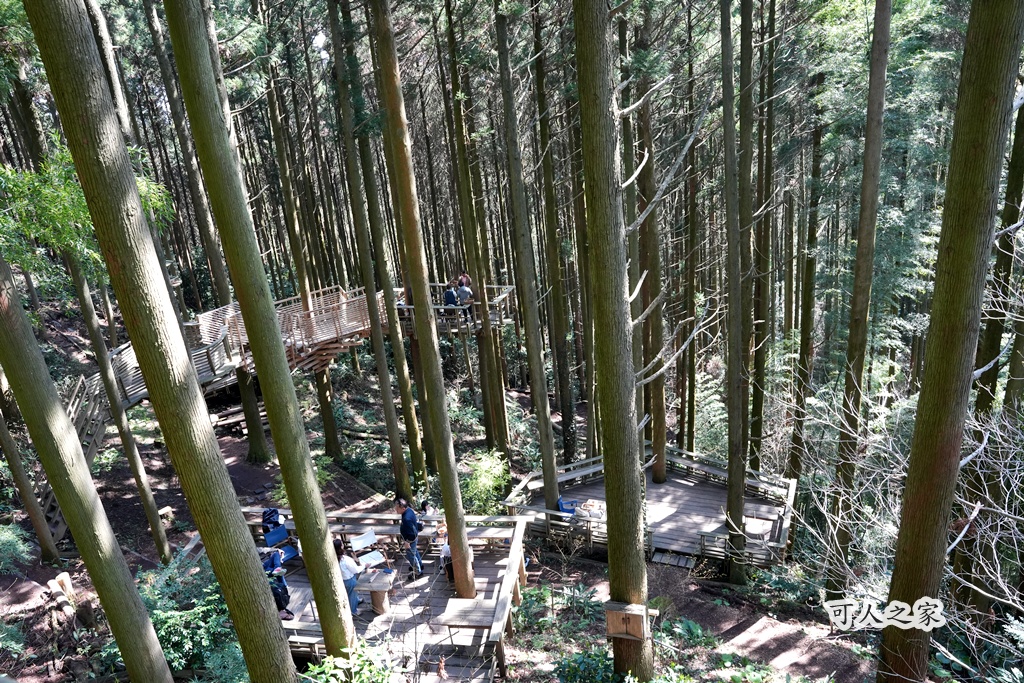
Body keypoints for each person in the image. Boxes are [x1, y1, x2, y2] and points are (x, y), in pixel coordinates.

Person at [334, 538, 364, 616]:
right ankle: (353, 611)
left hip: (340, 579)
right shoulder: (346, 559)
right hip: (349, 580)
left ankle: (356, 600)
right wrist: (364, 566)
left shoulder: (333, 558)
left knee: (350, 593)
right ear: (341, 547)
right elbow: (356, 570)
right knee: (351, 594)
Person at [395, 497, 423, 577]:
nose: (396, 509)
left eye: (397, 508)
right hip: (413, 537)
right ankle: (420, 565)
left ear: (403, 508)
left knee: (411, 556)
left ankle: (417, 572)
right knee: (415, 552)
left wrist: (407, 542)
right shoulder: (409, 510)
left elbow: (412, 534)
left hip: (411, 539)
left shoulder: (406, 518)